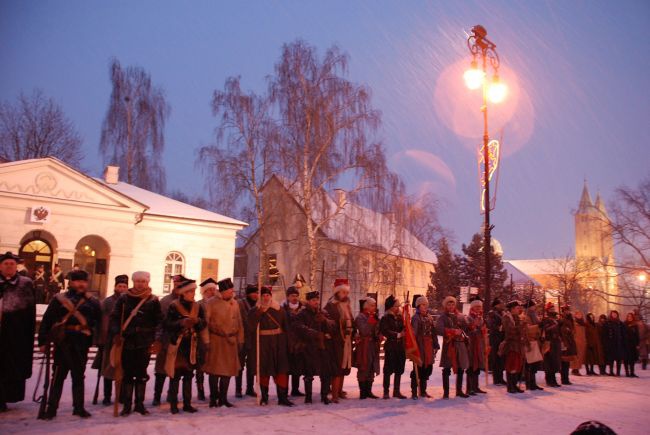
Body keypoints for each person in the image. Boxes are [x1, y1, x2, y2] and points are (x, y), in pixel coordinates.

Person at [37, 269, 100, 419]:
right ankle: (51, 408)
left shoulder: (92, 302)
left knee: (79, 376)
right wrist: (42, 341)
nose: (81, 284)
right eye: (78, 281)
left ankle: (78, 408)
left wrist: (94, 339)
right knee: (58, 377)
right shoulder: (59, 299)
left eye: (84, 281)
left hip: (81, 343)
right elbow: (47, 320)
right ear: (71, 282)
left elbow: (97, 322)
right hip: (62, 342)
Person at [110, 271, 162, 416]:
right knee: (127, 374)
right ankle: (127, 404)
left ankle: (139, 404)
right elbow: (114, 318)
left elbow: (159, 322)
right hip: (127, 342)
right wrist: (116, 334)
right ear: (133, 282)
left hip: (144, 343)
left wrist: (157, 339)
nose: (140, 284)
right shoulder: (124, 299)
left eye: (143, 281)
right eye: (138, 281)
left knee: (141, 374)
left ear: (147, 282)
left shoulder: (153, 300)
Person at [164, 278, 207, 414]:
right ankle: (173, 404)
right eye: (190, 291)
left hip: (191, 345)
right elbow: (167, 324)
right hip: (178, 344)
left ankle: (187, 404)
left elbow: (203, 324)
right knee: (175, 375)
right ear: (183, 293)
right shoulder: (173, 306)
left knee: (189, 375)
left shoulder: (197, 306)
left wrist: (197, 321)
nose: (193, 294)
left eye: (193, 291)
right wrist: (181, 323)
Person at [0, 251, 36, 412]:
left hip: (15, 334)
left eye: (12, 264)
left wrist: (27, 332)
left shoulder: (25, 283)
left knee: (10, 367)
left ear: (16, 266)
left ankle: (6, 397)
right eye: (6, 264)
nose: (9, 266)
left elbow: (30, 310)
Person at [248, 286, 293, 406]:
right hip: (263, 344)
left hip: (279, 343)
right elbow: (250, 327)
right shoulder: (254, 310)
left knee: (281, 370)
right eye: (263, 295)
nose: (265, 297)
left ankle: (282, 397)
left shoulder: (279, 310)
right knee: (264, 370)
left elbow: (286, 327)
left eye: (267, 295)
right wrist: (259, 313)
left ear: (271, 296)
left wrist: (288, 343)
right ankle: (264, 396)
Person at [203, 277, 244, 408]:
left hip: (231, 341)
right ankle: (213, 398)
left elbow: (239, 321)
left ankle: (223, 398)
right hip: (217, 341)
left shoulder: (235, 303)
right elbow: (205, 323)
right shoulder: (211, 303)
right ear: (223, 291)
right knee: (215, 371)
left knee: (228, 371)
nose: (231, 292)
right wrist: (206, 341)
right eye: (229, 290)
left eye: (232, 290)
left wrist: (240, 339)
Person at [292, 290, 338, 404]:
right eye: (313, 300)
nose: (316, 302)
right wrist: (317, 334)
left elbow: (333, 326)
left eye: (317, 300)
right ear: (308, 301)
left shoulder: (323, 313)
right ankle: (308, 397)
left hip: (323, 348)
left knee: (326, 373)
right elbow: (299, 328)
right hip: (309, 347)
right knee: (309, 373)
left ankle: (324, 396)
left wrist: (325, 321)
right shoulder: (302, 314)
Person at [94, 274, 128, 406]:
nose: (122, 289)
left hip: (124, 341)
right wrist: (100, 340)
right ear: (115, 287)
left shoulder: (129, 301)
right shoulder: (107, 302)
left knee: (122, 370)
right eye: (120, 286)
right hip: (109, 341)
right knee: (108, 369)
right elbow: (100, 322)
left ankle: (121, 396)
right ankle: (107, 396)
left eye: (124, 286)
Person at [152, 274, 184, 406]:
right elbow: (158, 322)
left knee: (175, 370)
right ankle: (157, 396)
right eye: (176, 284)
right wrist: (158, 339)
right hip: (165, 340)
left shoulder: (186, 302)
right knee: (160, 370)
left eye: (180, 285)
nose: (178, 287)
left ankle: (172, 394)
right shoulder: (165, 301)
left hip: (179, 341)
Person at [324, 278, 354, 403]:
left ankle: (340, 391)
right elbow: (328, 323)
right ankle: (334, 394)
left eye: (346, 293)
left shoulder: (347, 305)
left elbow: (351, 321)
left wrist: (354, 331)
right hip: (335, 341)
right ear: (337, 292)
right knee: (336, 367)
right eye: (343, 292)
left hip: (346, 340)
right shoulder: (331, 305)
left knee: (343, 366)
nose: (345, 295)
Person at [436, 296, 469, 399]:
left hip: (459, 344)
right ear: (446, 305)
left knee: (460, 368)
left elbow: (466, 327)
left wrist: (467, 327)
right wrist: (452, 331)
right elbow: (439, 329)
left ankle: (459, 391)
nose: (451, 306)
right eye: (449, 304)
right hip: (449, 345)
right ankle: (446, 393)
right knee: (447, 368)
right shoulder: (442, 317)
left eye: (453, 304)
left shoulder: (460, 316)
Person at [410, 296, 439, 399]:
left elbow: (434, 333)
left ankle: (423, 390)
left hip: (428, 347)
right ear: (418, 306)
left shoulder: (430, 317)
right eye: (423, 305)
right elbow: (413, 333)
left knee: (427, 368)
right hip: (420, 346)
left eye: (426, 304)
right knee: (418, 369)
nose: (425, 307)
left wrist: (436, 344)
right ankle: (414, 391)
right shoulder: (415, 318)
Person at [379, 295, 406, 399]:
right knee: (388, 370)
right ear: (390, 307)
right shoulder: (385, 318)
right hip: (391, 346)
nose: (398, 308)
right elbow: (385, 330)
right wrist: (397, 335)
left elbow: (403, 328)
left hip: (400, 347)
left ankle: (396, 391)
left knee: (399, 369)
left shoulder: (400, 317)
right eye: (395, 306)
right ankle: (386, 391)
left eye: (398, 306)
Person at [196, 278, 218, 401]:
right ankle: (200, 389)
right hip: (201, 339)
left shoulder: (217, 303)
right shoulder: (199, 305)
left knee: (214, 365)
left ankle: (214, 391)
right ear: (204, 292)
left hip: (216, 339)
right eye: (209, 290)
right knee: (201, 366)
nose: (212, 292)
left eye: (213, 289)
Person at [354, 297, 380, 399]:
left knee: (372, 367)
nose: (375, 308)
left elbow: (377, 329)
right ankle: (363, 391)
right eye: (372, 305)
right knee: (364, 367)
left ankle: (369, 390)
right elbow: (364, 331)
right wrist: (371, 320)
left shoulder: (373, 316)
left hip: (373, 345)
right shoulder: (360, 317)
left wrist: (379, 334)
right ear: (366, 307)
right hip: (364, 346)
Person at [282, 286, 305, 397]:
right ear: (288, 297)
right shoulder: (283, 309)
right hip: (287, 342)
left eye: (296, 296)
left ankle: (295, 389)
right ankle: (284, 390)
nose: (294, 298)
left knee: (297, 368)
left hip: (299, 342)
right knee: (286, 368)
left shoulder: (303, 308)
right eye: (292, 296)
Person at [236, 284, 259, 398]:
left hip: (254, 338)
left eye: (256, 293)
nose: (255, 295)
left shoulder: (258, 305)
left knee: (251, 364)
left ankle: (249, 388)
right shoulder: (241, 304)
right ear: (248, 293)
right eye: (253, 292)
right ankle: (238, 389)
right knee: (240, 364)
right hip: (242, 337)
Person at [502, 300, 527, 394]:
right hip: (511, 344)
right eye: (517, 308)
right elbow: (510, 331)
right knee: (511, 365)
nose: (518, 309)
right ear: (512, 309)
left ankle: (514, 384)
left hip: (518, 345)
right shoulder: (507, 317)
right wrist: (520, 327)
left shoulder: (517, 317)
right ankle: (510, 386)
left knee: (517, 365)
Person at [466, 298, 488, 395]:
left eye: (480, 307)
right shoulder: (469, 317)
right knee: (471, 366)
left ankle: (475, 386)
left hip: (479, 344)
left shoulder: (481, 318)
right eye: (477, 307)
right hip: (471, 344)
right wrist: (476, 327)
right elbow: (468, 330)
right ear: (472, 307)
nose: (479, 308)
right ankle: (469, 388)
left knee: (478, 365)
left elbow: (483, 330)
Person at [522, 300, 543, 391]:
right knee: (529, 364)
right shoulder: (525, 317)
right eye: (533, 306)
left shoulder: (534, 316)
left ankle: (533, 383)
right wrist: (538, 326)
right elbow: (527, 329)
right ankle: (529, 383)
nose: (535, 308)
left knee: (535, 363)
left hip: (535, 341)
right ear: (530, 307)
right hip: (529, 342)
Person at [541, 302, 562, 387]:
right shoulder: (546, 319)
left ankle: (553, 379)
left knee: (555, 362)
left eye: (553, 309)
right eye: (551, 309)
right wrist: (555, 325)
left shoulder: (556, 319)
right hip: (549, 342)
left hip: (556, 342)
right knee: (549, 361)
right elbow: (545, 329)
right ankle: (549, 379)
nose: (553, 310)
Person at [487, 298, 506, 386]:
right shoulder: (492, 313)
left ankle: (500, 377)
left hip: (501, 337)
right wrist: (498, 327)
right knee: (496, 357)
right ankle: (496, 378)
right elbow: (490, 324)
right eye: (500, 304)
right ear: (496, 305)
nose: (501, 305)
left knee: (501, 358)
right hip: (495, 338)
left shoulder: (502, 313)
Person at [603, 310, 626, 376]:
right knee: (611, 358)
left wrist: (623, 342)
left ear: (617, 315)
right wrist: (606, 343)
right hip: (610, 343)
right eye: (613, 314)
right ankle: (611, 371)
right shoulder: (607, 323)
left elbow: (623, 334)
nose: (614, 315)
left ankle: (618, 372)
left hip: (619, 343)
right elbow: (604, 334)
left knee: (618, 359)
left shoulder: (620, 323)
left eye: (615, 314)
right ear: (611, 315)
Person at [559, 305, 578, 385]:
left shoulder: (570, 318)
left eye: (568, 310)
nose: (567, 312)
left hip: (569, 341)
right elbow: (561, 330)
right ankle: (564, 379)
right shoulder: (561, 320)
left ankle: (566, 378)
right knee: (564, 361)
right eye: (565, 310)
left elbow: (572, 329)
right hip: (564, 341)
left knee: (567, 361)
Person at [623, 312, 639, 377]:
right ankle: (627, 372)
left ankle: (632, 372)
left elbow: (637, 335)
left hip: (633, 344)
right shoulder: (624, 324)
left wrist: (637, 344)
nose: (629, 317)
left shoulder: (635, 325)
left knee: (632, 359)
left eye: (631, 316)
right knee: (626, 358)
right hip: (626, 344)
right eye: (628, 316)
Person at [571, 311, 587, 376]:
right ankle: (575, 369)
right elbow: (572, 332)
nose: (579, 315)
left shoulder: (583, 323)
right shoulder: (574, 323)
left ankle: (576, 368)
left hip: (582, 342)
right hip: (576, 341)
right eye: (578, 314)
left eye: (580, 314)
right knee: (576, 356)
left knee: (580, 356)